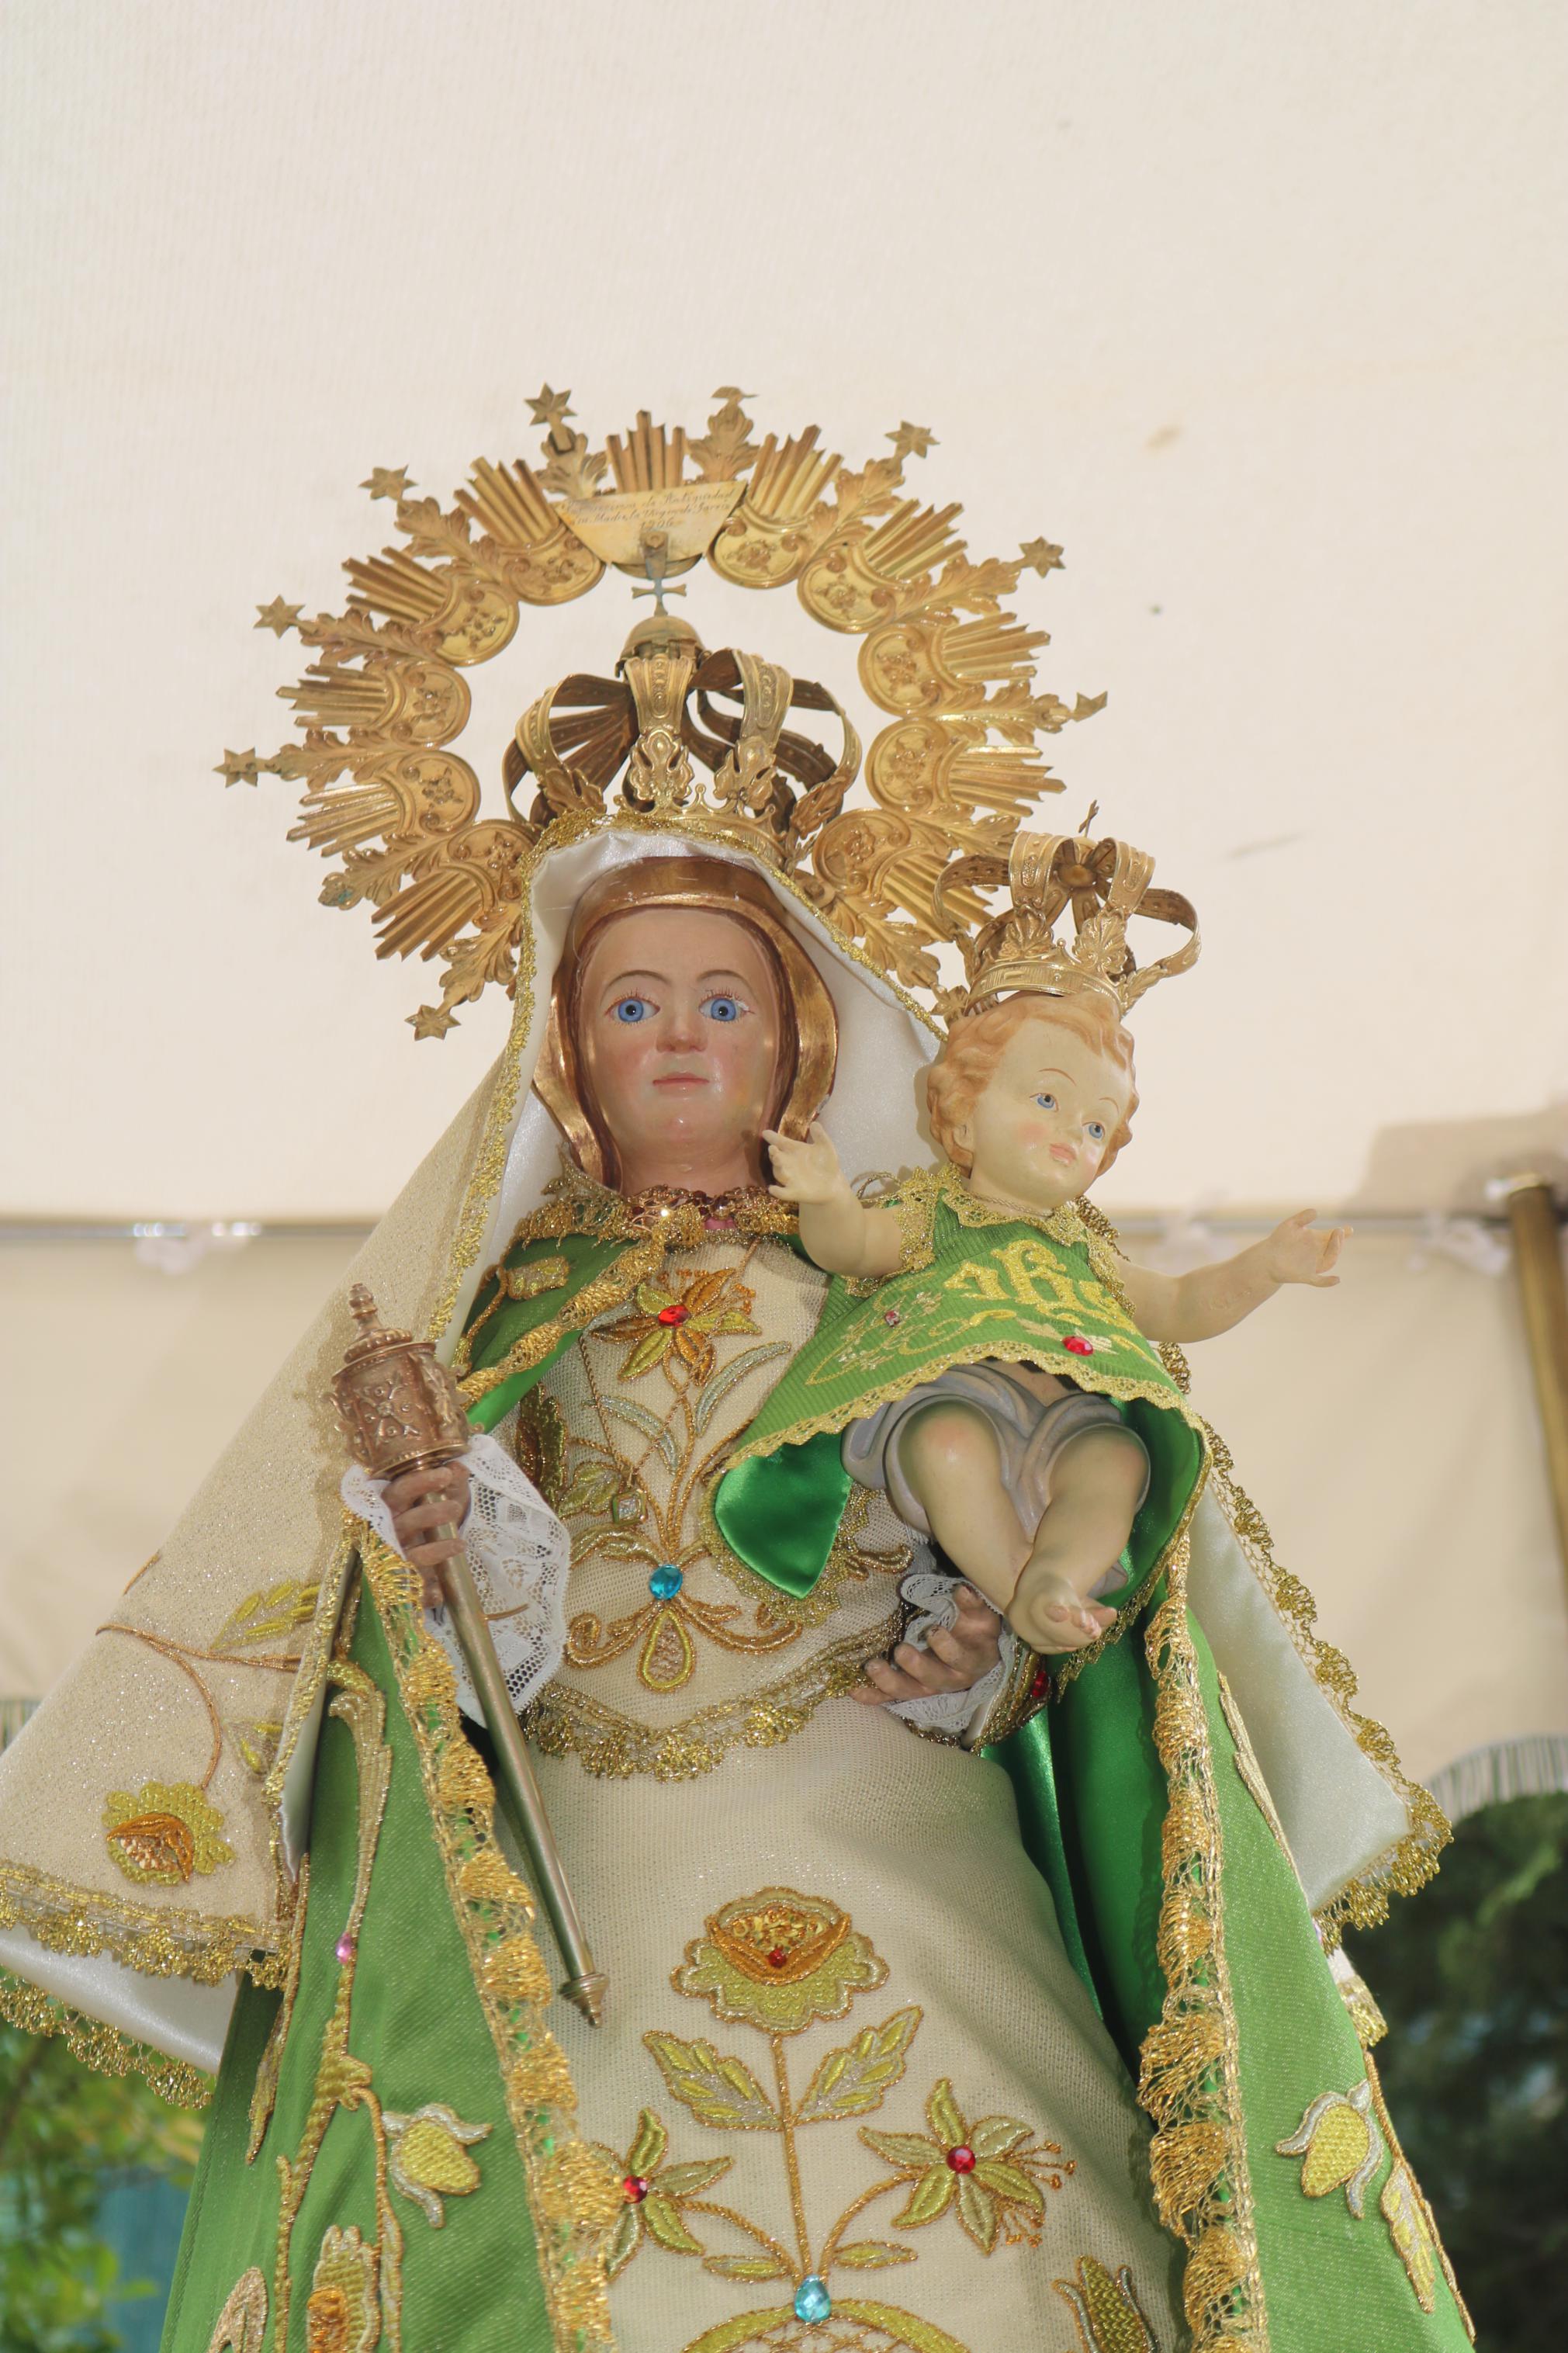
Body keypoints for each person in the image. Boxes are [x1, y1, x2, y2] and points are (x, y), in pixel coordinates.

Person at [0, 639, 1471, 2353]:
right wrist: (437, 1539)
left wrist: (985, 1638)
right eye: (632, 1002)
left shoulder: (897, 1280)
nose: (678, 1035)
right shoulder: (496, 1309)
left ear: (796, 1034)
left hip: (885, 1791)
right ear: (568, 1047)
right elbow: (447, 1628)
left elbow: (1039, 1492)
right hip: (580, 1866)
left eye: (723, 998)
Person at [763, 986, 1348, 1657]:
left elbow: (1181, 1305)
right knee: (945, 1443)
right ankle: (1023, 1591)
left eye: (1095, 1126)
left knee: (1118, 1456)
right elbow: (849, 1249)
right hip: (958, 1402)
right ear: (962, 1116)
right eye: (1047, 1100)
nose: (1074, 1132)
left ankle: (1055, 1577)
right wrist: (828, 1197)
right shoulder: (934, 1216)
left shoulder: (1085, 1252)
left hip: (1064, 1422)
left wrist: (1264, 1268)